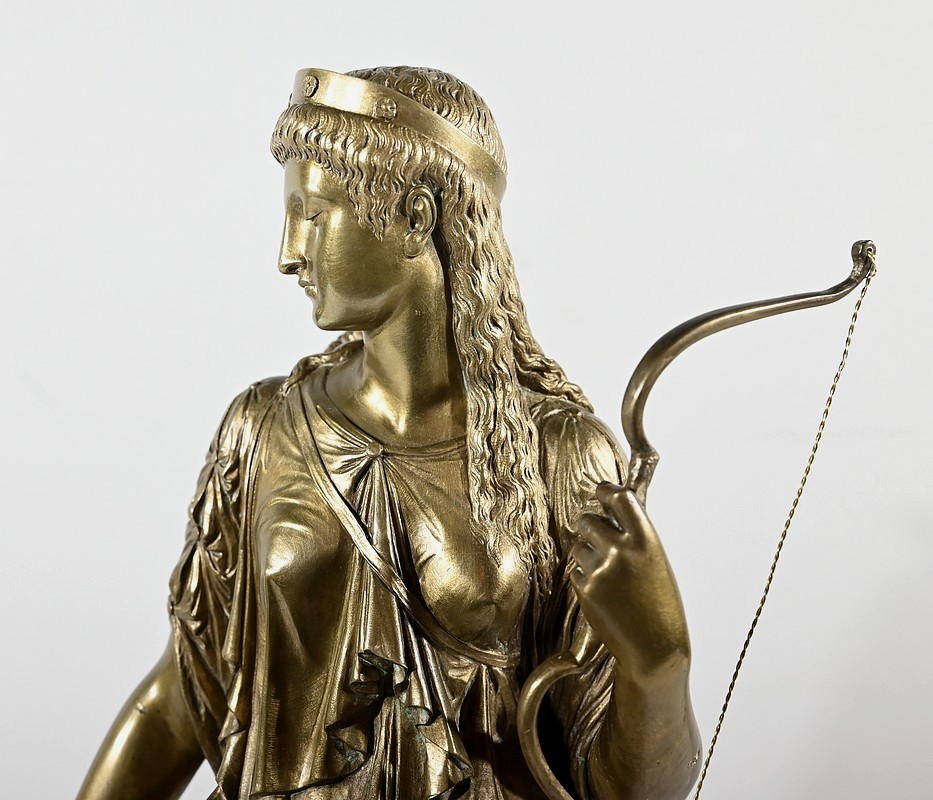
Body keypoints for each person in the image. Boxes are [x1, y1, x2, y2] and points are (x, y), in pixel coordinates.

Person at [77, 66, 700, 800]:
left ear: (414, 217)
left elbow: (629, 791)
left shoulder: (558, 455)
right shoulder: (260, 431)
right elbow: (180, 699)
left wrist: (660, 661)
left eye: (313, 214)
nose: (288, 252)